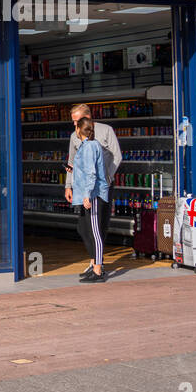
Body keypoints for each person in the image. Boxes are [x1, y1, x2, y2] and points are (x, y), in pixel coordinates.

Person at [64, 103, 121, 274]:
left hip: (101, 187)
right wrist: (68, 185)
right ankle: (95, 261)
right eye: (73, 121)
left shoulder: (106, 131)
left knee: (99, 225)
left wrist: (108, 177)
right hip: (83, 188)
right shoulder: (74, 136)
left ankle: (97, 265)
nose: (74, 125)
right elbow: (71, 162)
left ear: (88, 117)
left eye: (77, 121)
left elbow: (117, 155)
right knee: (83, 227)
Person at [72, 117, 110, 283]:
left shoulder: (88, 147)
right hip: (91, 192)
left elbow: (91, 173)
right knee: (89, 230)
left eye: (76, 125)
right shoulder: (89, 145)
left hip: (93, 194)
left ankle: (98, 270)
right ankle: (95, 265)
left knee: (95, 233)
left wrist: (87, 194)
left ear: (80, 129)